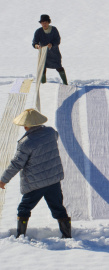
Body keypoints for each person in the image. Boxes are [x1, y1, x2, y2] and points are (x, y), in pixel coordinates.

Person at [0, 109, 71, 238]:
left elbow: (16, 164)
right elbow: (55, 135)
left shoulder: (26, 143)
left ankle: (20, 235)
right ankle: (67, 235)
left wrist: (3, 179)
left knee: (24, 208)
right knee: (58, 208)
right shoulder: (50, 132)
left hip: (35, 182)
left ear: (26, 126)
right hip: (53, 180)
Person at [32, 14, 68, 85]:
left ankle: (65, 83)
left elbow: (58, 40)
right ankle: (43, 84)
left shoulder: (54, 30)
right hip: (43, 53)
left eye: (45, 22)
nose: (44, 24)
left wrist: (51, 44)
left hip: (54, 53)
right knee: (42, 68)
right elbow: (34, 42)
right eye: (42, 22)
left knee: (59, 67)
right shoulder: (38, 31)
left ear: (48, 22)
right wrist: (37, 46)